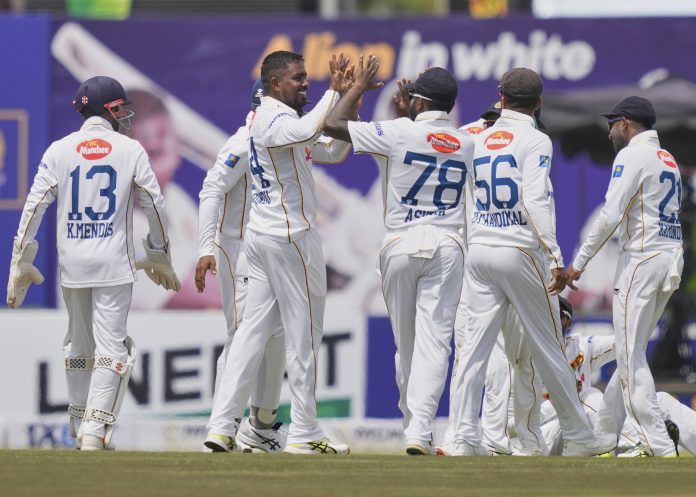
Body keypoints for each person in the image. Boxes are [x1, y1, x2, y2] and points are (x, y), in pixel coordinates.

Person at [447, 67, 615, 457]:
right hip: (519, 249)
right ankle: (579, 436)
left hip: (480, 250)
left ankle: (462, 438)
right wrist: (555, 256)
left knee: (472, 351)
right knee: (550, 347)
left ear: (501, 97)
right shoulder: (536, 139)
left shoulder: (478, 137)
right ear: (539, 103)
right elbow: (534, 198)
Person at [6, 76, 179, 450]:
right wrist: (159, 253)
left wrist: (21, 259)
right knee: (113, 348)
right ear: (110, 109)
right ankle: (95, 431)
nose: (127, 116)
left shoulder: (59, 150)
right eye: (122, 109)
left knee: (78, 346)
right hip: (113, 263)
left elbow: (34, 206)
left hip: (73, 262)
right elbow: (154, 203)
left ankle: (78, 423)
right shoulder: (130, 150)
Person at [200, 51, 353, 455]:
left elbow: (333, 150)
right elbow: (305, 131)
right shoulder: (271, 118)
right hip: (290, 236)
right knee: (305, 335)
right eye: (297, 77)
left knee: (252, 334)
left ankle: (221, 427)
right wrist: (334, 93)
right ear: (273, 85)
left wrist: (350, 97)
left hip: (264, 236)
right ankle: (304, 431)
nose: (305, 83)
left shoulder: (279, 122)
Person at [324, 61, 474, 455]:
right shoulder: (466, 142)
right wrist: (413, 114)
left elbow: (334, 124)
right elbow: (430, 138)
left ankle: (415, 427)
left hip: (400, 244)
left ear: (417, 102)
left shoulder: (395, 133)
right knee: (435, 342)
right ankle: (418, 429)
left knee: (405, 346)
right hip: (446, 244)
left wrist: (357, 88)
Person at [567, 96, 684, 457]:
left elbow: (610, 215)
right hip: (668, 258)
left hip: (642, 260)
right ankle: (609, 433)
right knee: (631, 352)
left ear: (626, 123)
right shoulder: (667, 158)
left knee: (631, 358)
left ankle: (658, 445)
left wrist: (578, 264)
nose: (609, 132)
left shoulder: (632, 155)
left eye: (612, 124)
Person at [197, 80, 286, 452]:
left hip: (268, 247)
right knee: (243, 334)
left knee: (276, 334)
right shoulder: (242, 142)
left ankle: (262, 426)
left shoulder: (280, 135)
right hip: (238, 250)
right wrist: (205, 248)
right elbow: (211, 190)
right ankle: (221, 427)